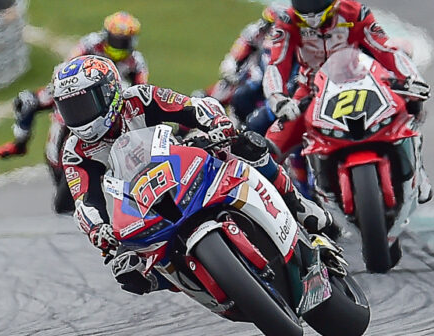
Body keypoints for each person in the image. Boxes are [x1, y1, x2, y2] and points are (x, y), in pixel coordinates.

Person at [57, 55, 337, 295]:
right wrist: (99, 230)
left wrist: (218, 126)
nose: (79, 116)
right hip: (138, 202)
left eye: (84, 105)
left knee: (248, 145)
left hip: (180, 166)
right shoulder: (75, 150)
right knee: (128, 272)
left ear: (110, 92)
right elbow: (85, 201)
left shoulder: (139, 98)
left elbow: (192, 107)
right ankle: (169, 281)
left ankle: (298, 206)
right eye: (69, 109)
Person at [263, 0, 433, 202]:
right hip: (312, 91)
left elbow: (386, 50)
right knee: (267, 150)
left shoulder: (356, 12)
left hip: (363, 81)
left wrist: (412, 79)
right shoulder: (288, 23)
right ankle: (293, 210)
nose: (310, 7)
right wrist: (278, 99)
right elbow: (276, 65)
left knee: (410, 106)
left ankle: (419, 173)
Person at [0, 11, 149, 160]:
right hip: (77, 88)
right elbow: (67, 65)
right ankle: (19, 145)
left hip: (110, 100)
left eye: (124, 41)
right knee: (26, 101)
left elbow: (141, 91)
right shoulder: (91, 43)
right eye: (115, 40)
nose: (118, 45)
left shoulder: (136, 62)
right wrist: (60, 88)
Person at [209, 5, 280, 122]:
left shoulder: (293, 40)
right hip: (252, 78)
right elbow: (236, 54)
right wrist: (231, 71)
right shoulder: (255, 32)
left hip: (274, 86)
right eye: (269, 24)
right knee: (209, 97)